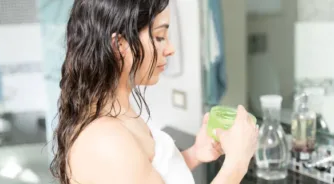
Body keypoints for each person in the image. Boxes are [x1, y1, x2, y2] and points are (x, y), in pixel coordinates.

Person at [49, 0, 259, 184]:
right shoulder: (105, 140)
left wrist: (195, 154)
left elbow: (146, 173)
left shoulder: (116, 111)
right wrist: (237, 163)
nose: (170, 49)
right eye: (159, 37)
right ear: (119, 45)